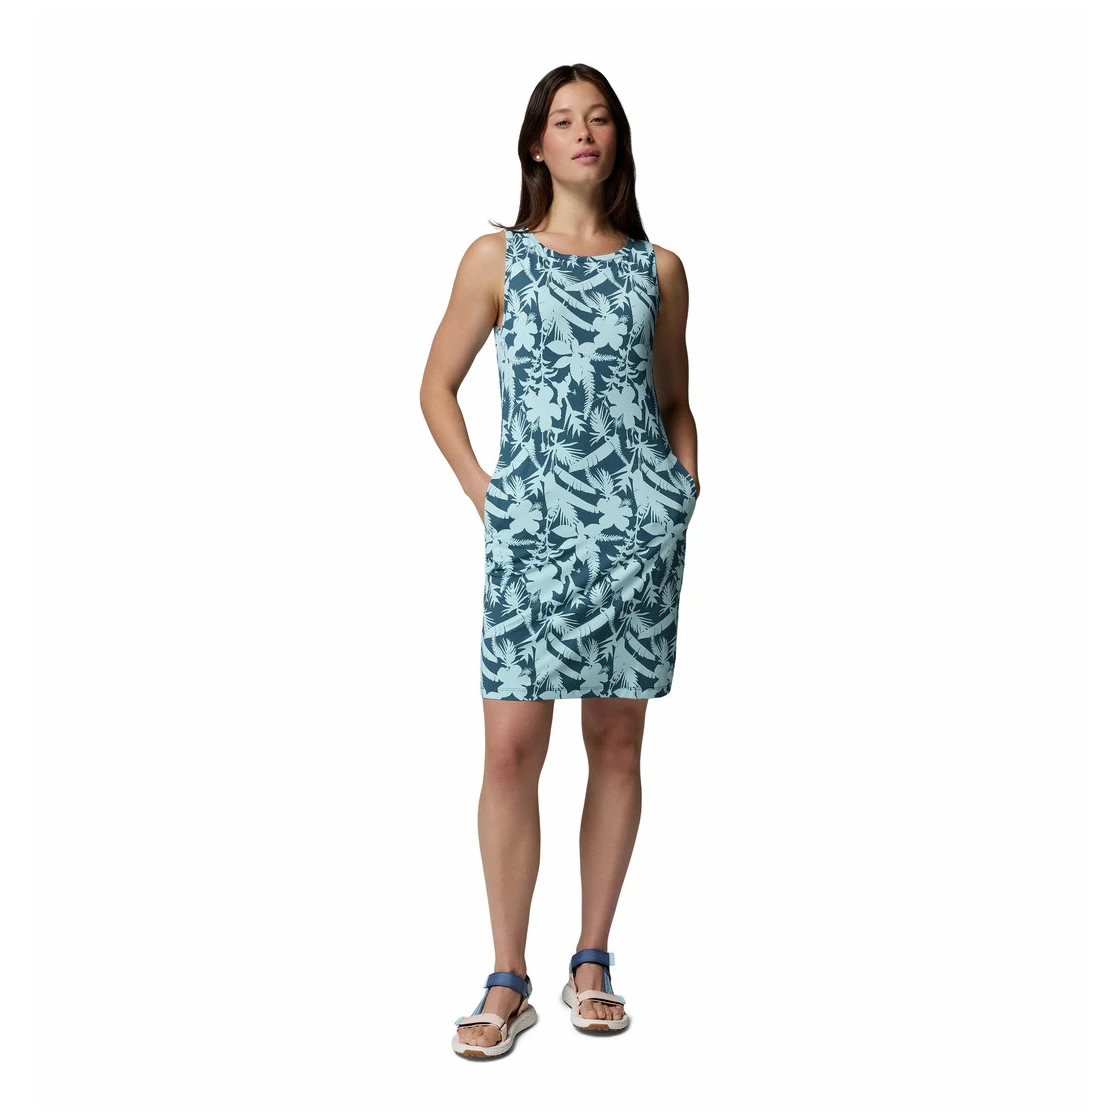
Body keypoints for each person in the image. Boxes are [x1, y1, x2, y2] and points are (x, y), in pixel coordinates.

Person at [419, 63, 700, 1059]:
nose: (584, 132)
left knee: (616, 746)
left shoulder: (659, 270)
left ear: (617, 139)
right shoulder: (496, 259)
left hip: (634, 538)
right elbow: (435, 387)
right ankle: (508, 976)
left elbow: (674, 401)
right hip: (531, 538)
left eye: (600, 118)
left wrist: (681, 494)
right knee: (509, 750)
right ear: (535, 145)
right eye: (564, 120)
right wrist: (483, 491)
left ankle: (592, 959)